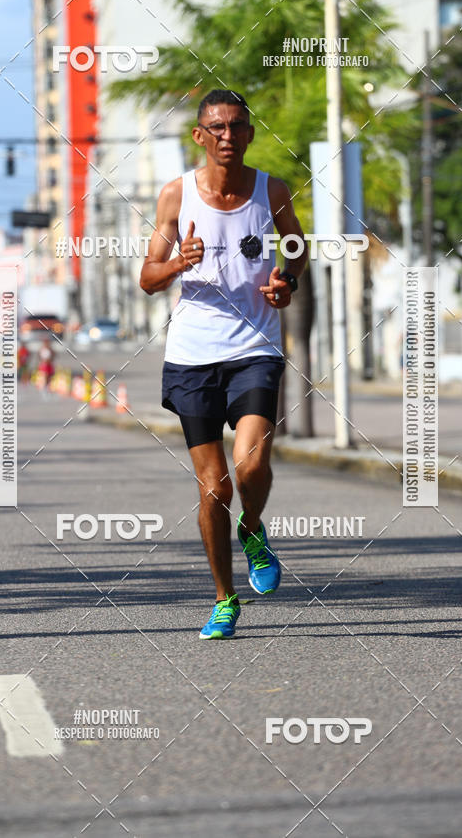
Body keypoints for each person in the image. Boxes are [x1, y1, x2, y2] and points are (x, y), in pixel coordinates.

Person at [140, 88, 308, 639]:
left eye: (236, 126)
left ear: (251, 133)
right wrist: (177, 265)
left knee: (251, 465)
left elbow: (296, 246)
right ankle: (223, 598)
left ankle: (253, 530)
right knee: (214, 488)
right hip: (192, 356)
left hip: (255, 347)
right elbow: (147, 277)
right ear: (199, 135)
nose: (227, 136)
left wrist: (287, 282)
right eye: (216, 127)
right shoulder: (176, 195)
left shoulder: (271, 190)